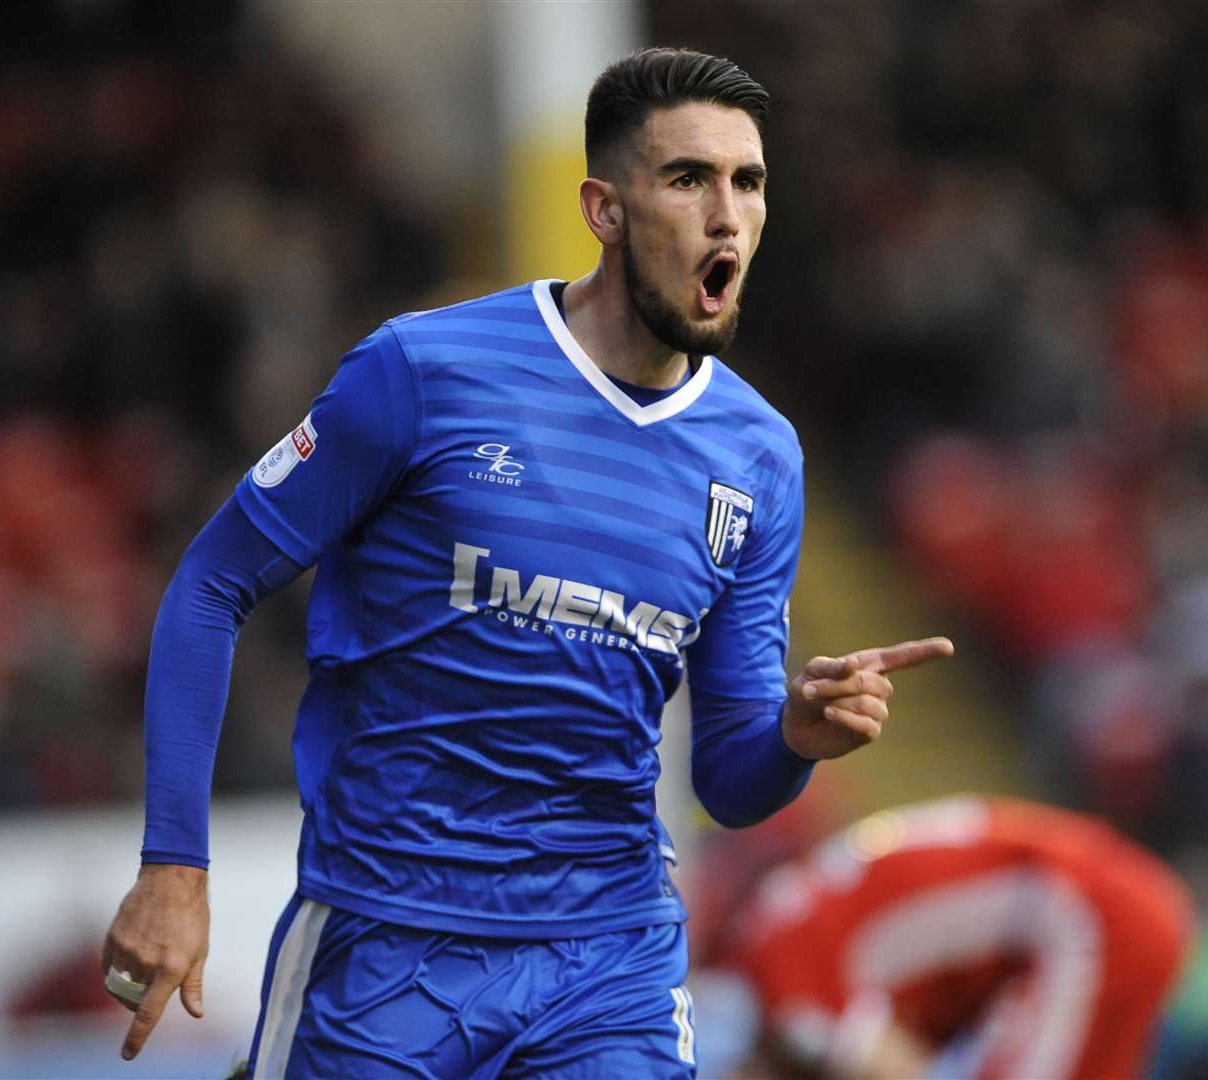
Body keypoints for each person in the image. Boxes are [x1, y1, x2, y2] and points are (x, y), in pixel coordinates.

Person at [100, 47, 953, 1078]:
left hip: (609, 955)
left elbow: (729, 778)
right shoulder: (425, 372)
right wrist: (172, 866)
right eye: (688, 178)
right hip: (388, 939)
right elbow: (209, 586)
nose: (728, 214)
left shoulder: (758, 456)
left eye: (749, 181)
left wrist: (795, 736)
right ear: (604, 209)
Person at [708, 794, 1194, 1079]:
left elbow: (892, 1067)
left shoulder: (787, 991)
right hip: (1084, 901)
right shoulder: (783, 930)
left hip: (1095, 917)